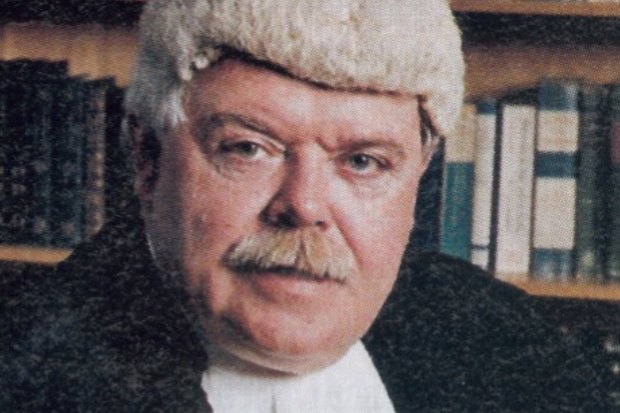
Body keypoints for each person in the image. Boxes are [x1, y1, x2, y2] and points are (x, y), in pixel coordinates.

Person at [0, 0, 611, 411]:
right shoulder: (28, 369)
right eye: (248, 148)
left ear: (420, 176)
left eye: (363, 162)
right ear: (147, 158)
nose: (303, 205)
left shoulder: (510, 347)